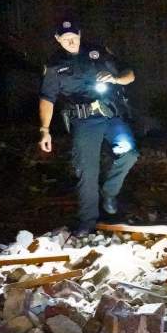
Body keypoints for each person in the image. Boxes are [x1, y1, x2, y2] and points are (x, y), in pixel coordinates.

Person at [38, 20, 139, 234]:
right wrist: (44, 130)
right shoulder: (55, 65)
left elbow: (129, 74)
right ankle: (88, 221)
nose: (71, 41)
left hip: (110, 114)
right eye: (65, 39)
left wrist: (115, 79)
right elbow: (47, 98)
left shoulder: (97, 52)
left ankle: (109, 192)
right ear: (58, 40)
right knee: (87, 170)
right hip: (83, 121)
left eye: (74, 36)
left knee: (129, 152)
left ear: (80, 34)